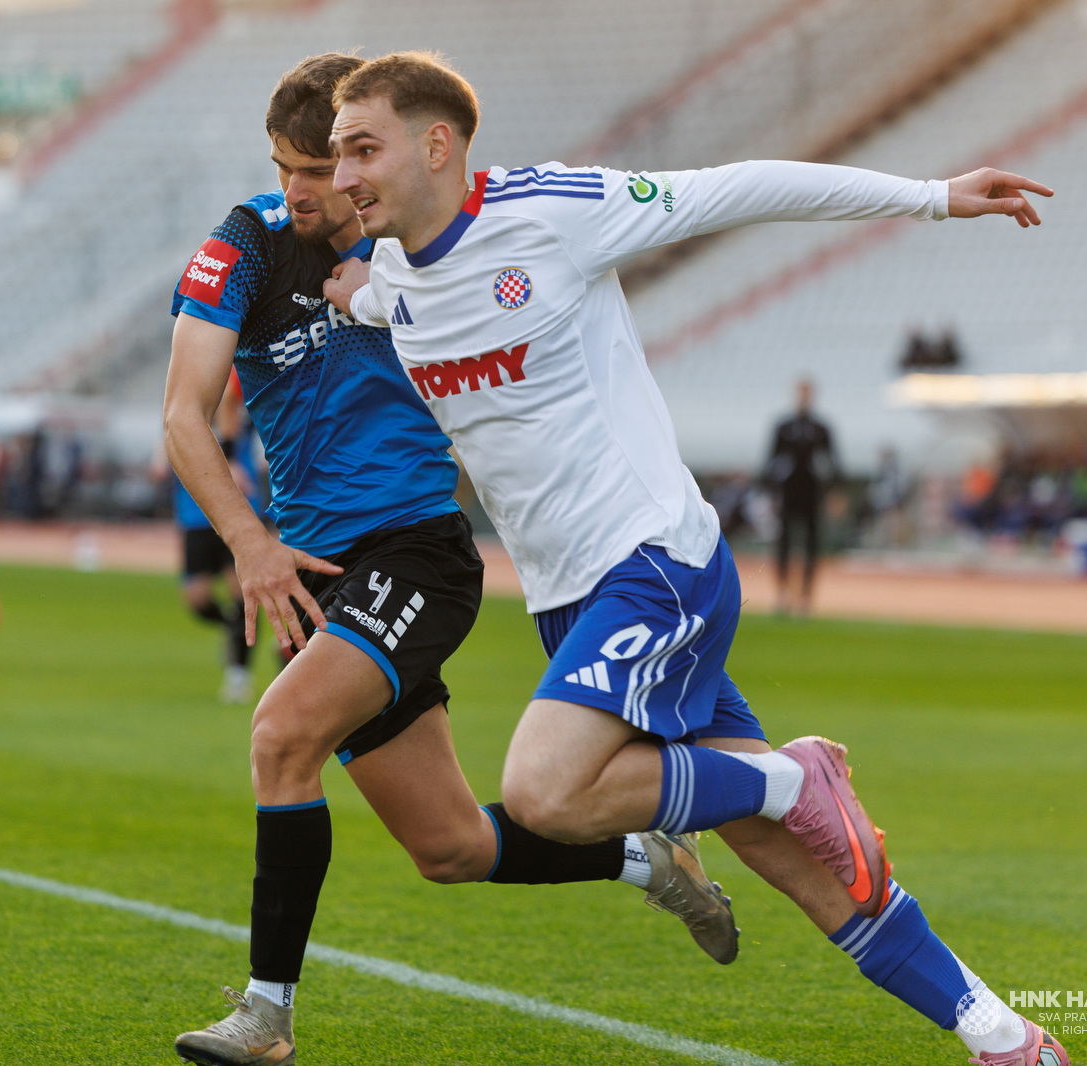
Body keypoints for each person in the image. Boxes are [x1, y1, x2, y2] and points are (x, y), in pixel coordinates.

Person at [324, 51, 1067, 1066]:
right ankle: (1005, 1037)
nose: (343, 177)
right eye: (333, 159)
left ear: (437, 143)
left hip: (654, 558)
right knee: (801, 864)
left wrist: (934, 198)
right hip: (568, 598)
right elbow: (393, 301)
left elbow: (743, 185)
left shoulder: (552, 213)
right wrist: (351, 296)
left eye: (362, 149)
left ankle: (787, 776)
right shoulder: (396, 277)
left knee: (544, 792)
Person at [162, 53, 738, 1066]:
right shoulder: (246, 243)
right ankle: (645, 860)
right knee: (453, 848)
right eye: (285, 166)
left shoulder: (420, 245)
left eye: (320, 165)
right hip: (314, 570)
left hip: (417, 553)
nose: (303, 188)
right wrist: (248, 541)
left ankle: (265, 1017)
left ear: (360, 158)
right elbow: (182, 411)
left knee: (281, 733)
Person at [154, 368, 257, 703]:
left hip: (234, 503)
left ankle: (238, 675)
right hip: (193, 511)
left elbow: (230, 401)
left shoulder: (234, 386)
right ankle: (231, 630)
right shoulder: (186, 391)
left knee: (240, 589)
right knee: (196, 598)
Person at [765, 378, 835, 616]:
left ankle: (806, 595)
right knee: (784, 542)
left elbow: (832, 461)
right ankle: (783, 592)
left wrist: (835, 491)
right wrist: (771, 492)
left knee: (811, 544)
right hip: (788, 492)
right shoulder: (784, 427)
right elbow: (772, 460)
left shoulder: (821, 428)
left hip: (812, 492)